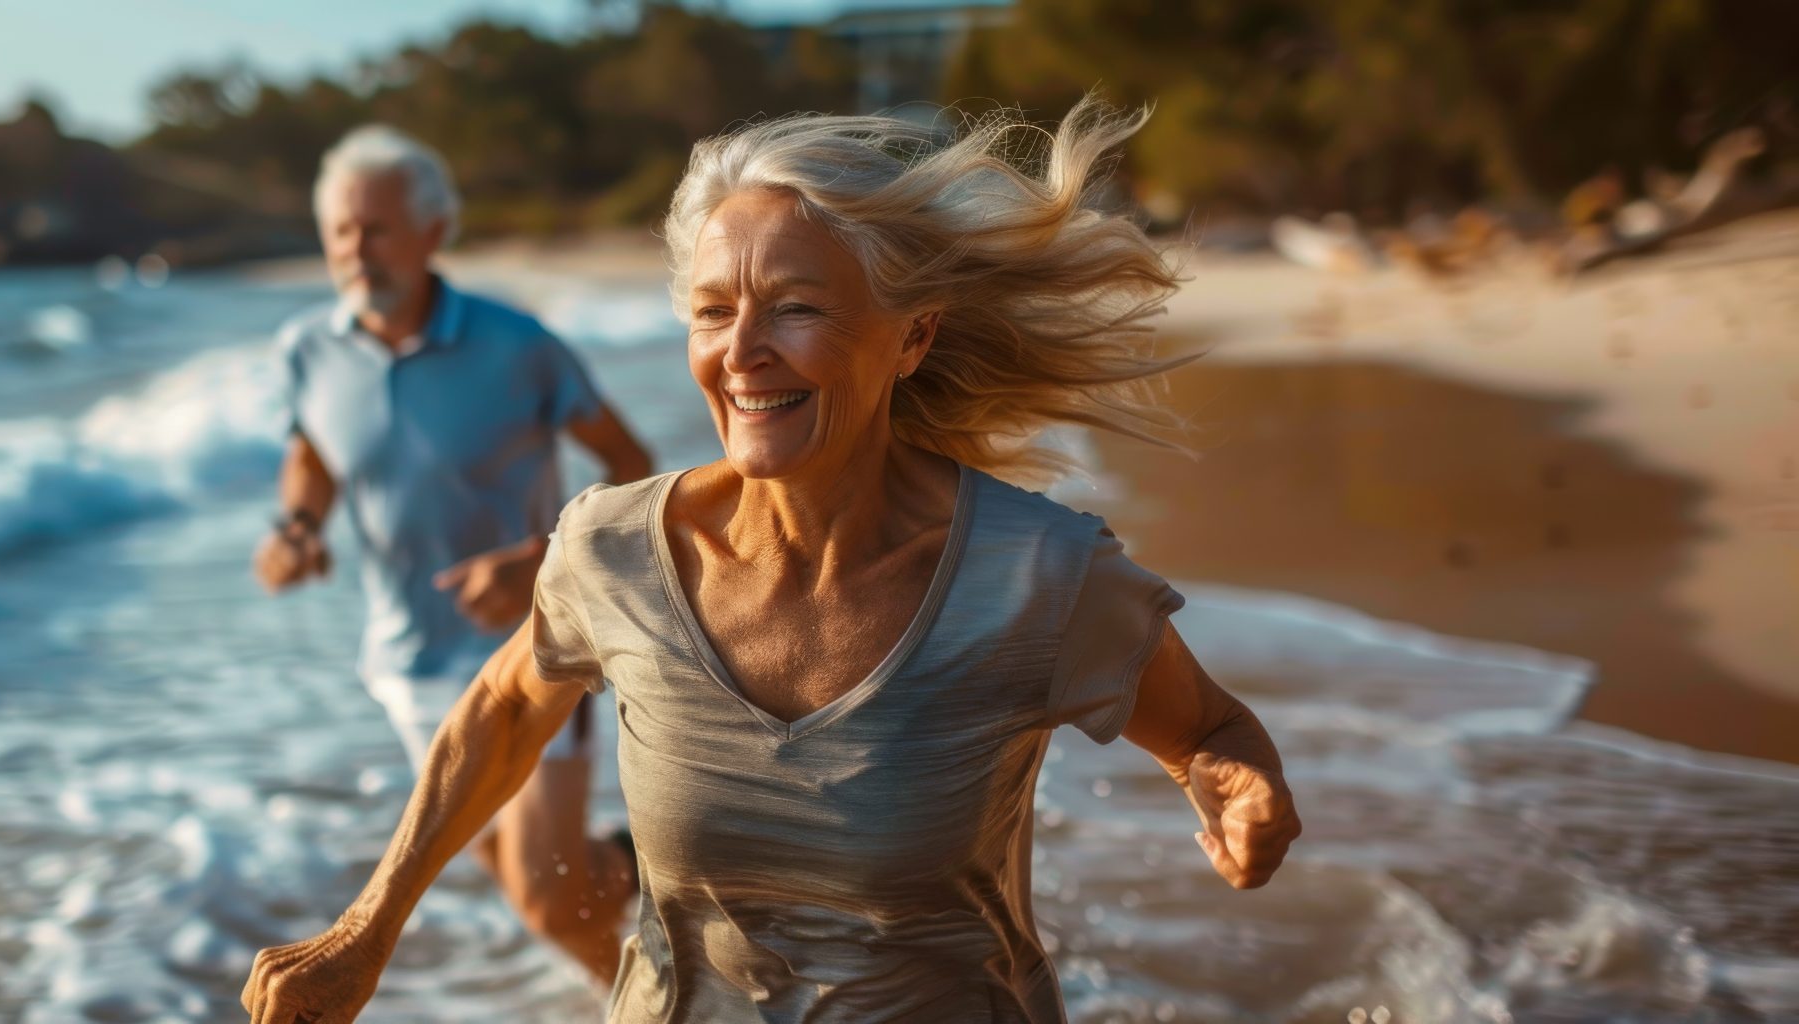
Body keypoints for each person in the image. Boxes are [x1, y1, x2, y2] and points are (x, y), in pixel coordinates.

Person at [243, 98, 1300, 1023]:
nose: (741, 350)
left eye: (794, 306)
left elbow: (1205, 728)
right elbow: (507, 707)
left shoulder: (1036, 575)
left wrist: (1235, 780)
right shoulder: (613, 551)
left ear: (911, 336)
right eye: (712, 310)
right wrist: (363, 933)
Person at [253, 125, 653, 983]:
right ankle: (645, 911)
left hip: (539, 644)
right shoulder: (307, 351)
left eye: (378, 228)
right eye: (341, 232)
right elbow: (315, 453)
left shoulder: (519, 344)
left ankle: (650, 991)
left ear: (435, 232)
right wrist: (297, 527)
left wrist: (539, 562)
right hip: (408, 661)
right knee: (529, 883)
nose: (357, 250)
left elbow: (630, 465)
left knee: (548, 898)